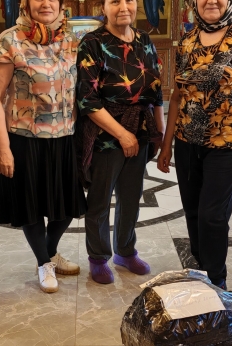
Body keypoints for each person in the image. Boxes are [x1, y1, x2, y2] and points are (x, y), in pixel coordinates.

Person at [156, 0, 232, 289]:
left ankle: (216, 281)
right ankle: (201, 270)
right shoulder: (187, 39)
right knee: (193, 211)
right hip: (187, 141)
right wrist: (167, 144)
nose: (211, 1)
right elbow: (177, 96)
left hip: (228, 143)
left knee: (212, 216)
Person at [0, 0, 86, 293]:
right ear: (26, 4)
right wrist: (3, 148)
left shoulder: (70, 40)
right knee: (31, 207)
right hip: (25, 139)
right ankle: (44, 262)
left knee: (66, 207)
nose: (46, 3)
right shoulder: (9, 41)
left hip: (64, 137)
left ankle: (50, 251)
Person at [76, 0, 165, 284]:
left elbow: (156, 91)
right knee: (100, 200)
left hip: (140, 129)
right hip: (105, 135)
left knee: (131, 197)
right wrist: (122, 135)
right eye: (115, 1)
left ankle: (125, 251)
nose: (123, 7)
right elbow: (87, 100)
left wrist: (159, 131)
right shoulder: (92, 43)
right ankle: (98, 257)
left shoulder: (144, 40)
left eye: (129, 0)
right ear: (103, 7)